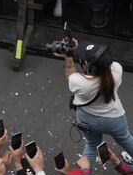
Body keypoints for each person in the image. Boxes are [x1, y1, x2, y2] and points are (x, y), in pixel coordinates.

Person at [57, 40, 133, 168]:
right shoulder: (117, 70)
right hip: (114, 119)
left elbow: (70, 71)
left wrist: (68, 55)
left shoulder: (79, 82)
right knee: (126, 139)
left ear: (89, 66)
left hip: (87, 120)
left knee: (92, 145)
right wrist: (80, 50)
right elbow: (107, 62)